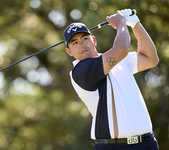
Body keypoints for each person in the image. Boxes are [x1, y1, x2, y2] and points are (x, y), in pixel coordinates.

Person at [64, 9, 159, 150]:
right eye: (75, 43)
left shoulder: (117, 59)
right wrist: (121, 22)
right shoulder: (80, 71)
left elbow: (151, 59)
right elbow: (122, 48)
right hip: (113, 147)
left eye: (85, 38)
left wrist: (135, 24)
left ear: (93, 40)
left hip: (147, 143)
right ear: (69, 51)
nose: (82, 44)